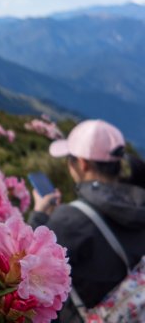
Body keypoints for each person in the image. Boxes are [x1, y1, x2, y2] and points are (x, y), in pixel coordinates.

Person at [28, 119, 145, 322]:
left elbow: (30, 263)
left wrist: (40, 215)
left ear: (82, 164)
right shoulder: (139, 205)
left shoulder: (70, 220)